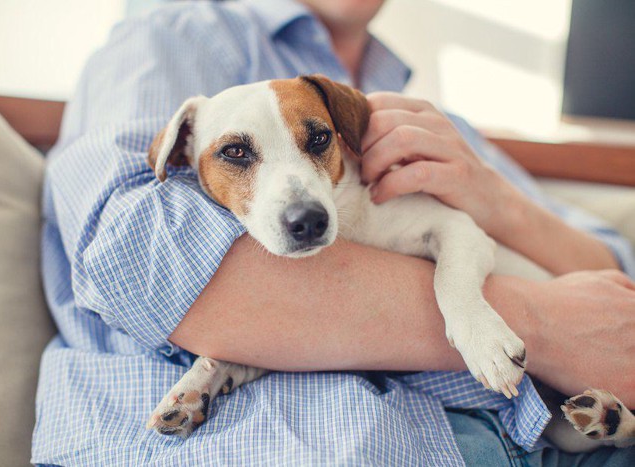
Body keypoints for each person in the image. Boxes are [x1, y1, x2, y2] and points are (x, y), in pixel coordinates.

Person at [34, 0, 635, 464]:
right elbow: (137, 257)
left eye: (316, 140)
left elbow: (615, 279)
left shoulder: (432, 118)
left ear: (340, 129)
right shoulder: (173, 35)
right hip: (308, 441)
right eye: (240, 154)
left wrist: (496, 200)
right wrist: (540, 321)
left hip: (528, 428)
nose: (296, 196)